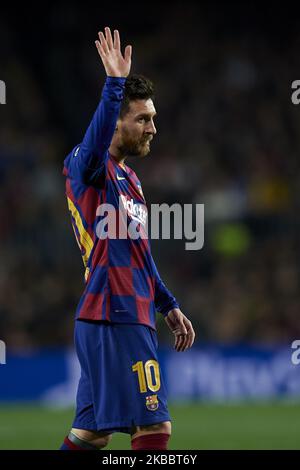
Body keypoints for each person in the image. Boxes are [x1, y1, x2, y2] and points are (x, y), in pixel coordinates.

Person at [60, 27, 195, 451]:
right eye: (144, 118)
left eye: (153, 118)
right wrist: (114, 85)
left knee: (90, 436)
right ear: (115, 121)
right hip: (112, 314)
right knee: (154, 430)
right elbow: (95, 142)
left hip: (127, 312)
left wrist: (167, 304)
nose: (153, 127)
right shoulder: (87, 167)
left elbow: (140, 255)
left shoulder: (130, 179)